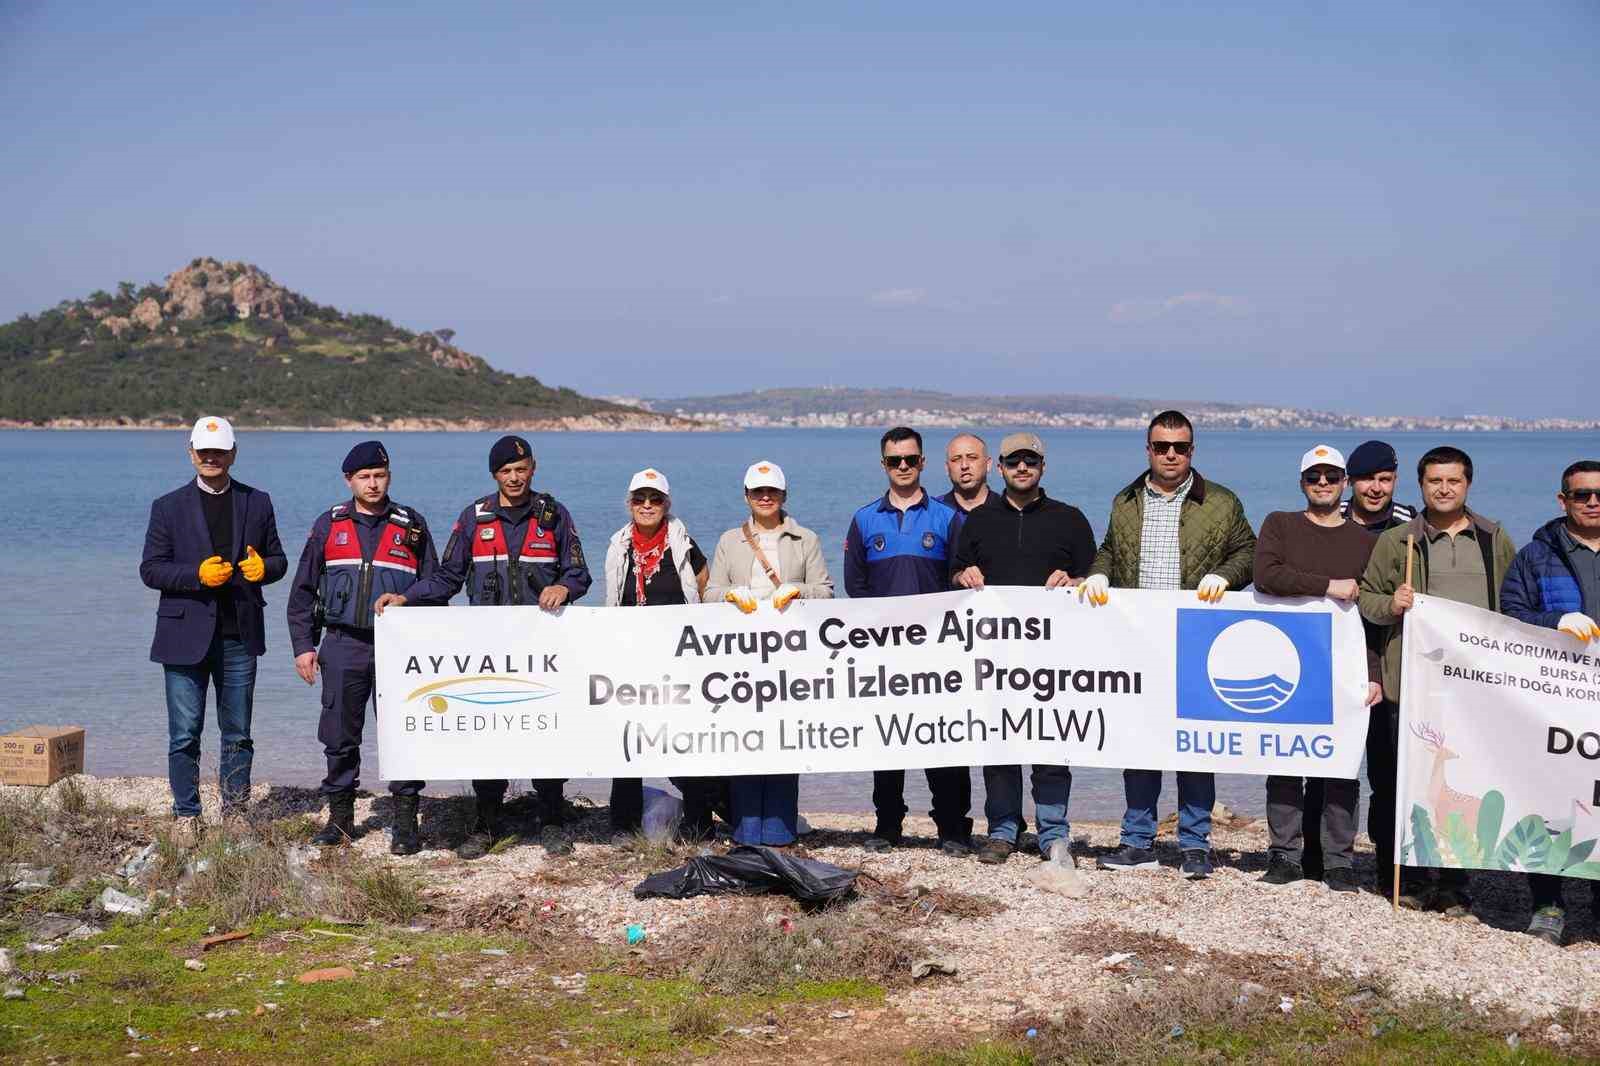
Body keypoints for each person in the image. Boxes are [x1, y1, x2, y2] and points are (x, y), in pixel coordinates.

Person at [374, 435, 591, 859]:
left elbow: (579, 572)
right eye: (506, 471)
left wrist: (564, 586)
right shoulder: (473, 518)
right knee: (487, 734)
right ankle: (487, 823)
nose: (514, 477)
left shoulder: (554, 515)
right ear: (495, 475)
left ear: (533, 469)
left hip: (543, 646)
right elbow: (447, 577)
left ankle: (552, 819)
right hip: (487, 648)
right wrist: (406, 598)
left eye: (521, 469)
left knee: (547, 731)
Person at [1079, 410, 1257, 880]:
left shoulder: (1221, 502)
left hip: (1196, 642)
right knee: (1138, 744)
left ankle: (1195, 843)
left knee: (1194, 744)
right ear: (1149, 449)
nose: (1171, 455)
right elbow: (1111, 551)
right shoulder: (1126, 500)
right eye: (1162, 447)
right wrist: (1097, 572)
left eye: (1180, 447)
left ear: (1192, 451)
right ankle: (1137, 840)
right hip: (1137, 643)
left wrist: (1226, 576)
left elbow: (1250, 552)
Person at [1358, 445, 1517, 914]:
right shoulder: (1398, 541)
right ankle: (1397, 873)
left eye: (1453, 481)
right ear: (1421, 485)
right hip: (1406, 683)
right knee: (1393, 782)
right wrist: (1392, 604)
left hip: (1468, 690)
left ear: (1467, 484)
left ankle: (1452, 880)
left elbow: (1511, 609)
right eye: (1434, 481)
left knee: (1456, 784)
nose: (1444, 489)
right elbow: (1368, 599)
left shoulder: (1492, 538)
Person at [139, 416, 287, 844]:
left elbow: (278, 558)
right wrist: (195, 575)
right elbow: (150, 569)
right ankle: (187, 814)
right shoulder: (167, 506)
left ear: (233, 454)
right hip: (183, 636)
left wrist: (267, 570)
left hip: (239, 633)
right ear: (191, 453)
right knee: (184, 733)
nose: (211, 458)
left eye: (219, 451)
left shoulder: (257, 502)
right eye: (204, 452)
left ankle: (235, 811)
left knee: (237, 731)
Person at [287, 441, 440, 855]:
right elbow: (302, 592)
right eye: (364, 477)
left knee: (404, 734)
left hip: (399, 648)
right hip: (341, 643)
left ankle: (406, 823)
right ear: (348, 480)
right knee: (338, 735)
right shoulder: (328, 525)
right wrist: (304, 645)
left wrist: (410, 600)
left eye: (380, 476)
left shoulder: (412, 525)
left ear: (389, 476)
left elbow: (437, 585)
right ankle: (340, 821)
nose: (373, 484)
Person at [950, 432, 1096, 865]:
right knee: (999, 743)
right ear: (1000, 467)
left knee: (1051, 741)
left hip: (1054, 658)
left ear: (1042, 467)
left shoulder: (1069, 519)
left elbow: (1097, 576)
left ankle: (1053, 832)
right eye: (1014, 462)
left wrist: (1077, 581)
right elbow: (954, 574)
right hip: (995, 657)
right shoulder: (977, 521)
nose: (1022, 468)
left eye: (1030, 461)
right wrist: (963, 576)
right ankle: (1003, 830)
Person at [1250, 445, 1384, 892]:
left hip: (1345, 671)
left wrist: (1374, 675)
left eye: (1331, 476)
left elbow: (1370, 616)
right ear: (1303, 482)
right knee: (1285, 763)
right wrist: (1329, 586)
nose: (1323, 483)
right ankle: (1285, 855)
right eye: (1314, 477)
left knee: (1342, 768)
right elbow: (1267, 575)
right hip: (1284, 667)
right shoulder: (1280, 525)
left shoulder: (1367, 542)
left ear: (1345, 482)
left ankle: (1338, 861)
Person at [845, 428, 972, 856]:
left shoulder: (947, 517)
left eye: (910, 459)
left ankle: (953, 827)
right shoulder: (865, 519)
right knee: (888, 737)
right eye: (895, 460)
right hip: (884, 653)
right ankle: (887, 824)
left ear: (923, 463)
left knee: (945, 737)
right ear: (883, 465)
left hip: (939, 652)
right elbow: (855, 588)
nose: (903, 466)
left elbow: (960, 579)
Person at [704, 461, 834, 846]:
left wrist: (797, 589)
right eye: (758, 491)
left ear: (783, 496)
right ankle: (746, 828)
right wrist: (728, 594)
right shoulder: (730, 540)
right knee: (745, 740)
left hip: (789, 660)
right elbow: (709, 593)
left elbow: (825, 591)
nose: (765, 497)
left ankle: (779, 827)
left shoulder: (805, 539)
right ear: (746, 496)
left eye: (772, 491)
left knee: (783, 738)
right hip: (740, 661)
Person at [1499, 459, 1600, 944]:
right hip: (1556, 700)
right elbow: (1511, 614)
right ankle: (1548, 903)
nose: (1593, 501)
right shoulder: (1536, 556)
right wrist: (1556, 619)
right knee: (1551, 800)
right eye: (1582, 495)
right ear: (1563, 501)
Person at [601, 467, 719, 843]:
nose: (647, 505)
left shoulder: (684, 543)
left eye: (655, 499)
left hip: (680, 660)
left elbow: (706, 589)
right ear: (630, 503)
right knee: (628, 738)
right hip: (631, 658)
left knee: (687, 739)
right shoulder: (618, 544)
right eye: (640, 499)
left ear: (666, 504)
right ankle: (623, 822)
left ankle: (699, 822)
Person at [1335, 440, 1417, 887]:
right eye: (1367, 478)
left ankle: (1391, 866)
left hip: (1392, 657)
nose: (1376, 488)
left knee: (1389, 770)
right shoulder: (1335, 517)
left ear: (1395, 480)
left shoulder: (1411, 523)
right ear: (1352, 480)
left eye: (1385, 479)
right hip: (1341, 658)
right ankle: (1326, 858)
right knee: (1336, 766)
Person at [939, 432, 994, 513]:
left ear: (988, 464)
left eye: (972, 457)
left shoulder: (1006, 511)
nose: (964, 465)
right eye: (956, 459)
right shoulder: (934, 511)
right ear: (947, 468)